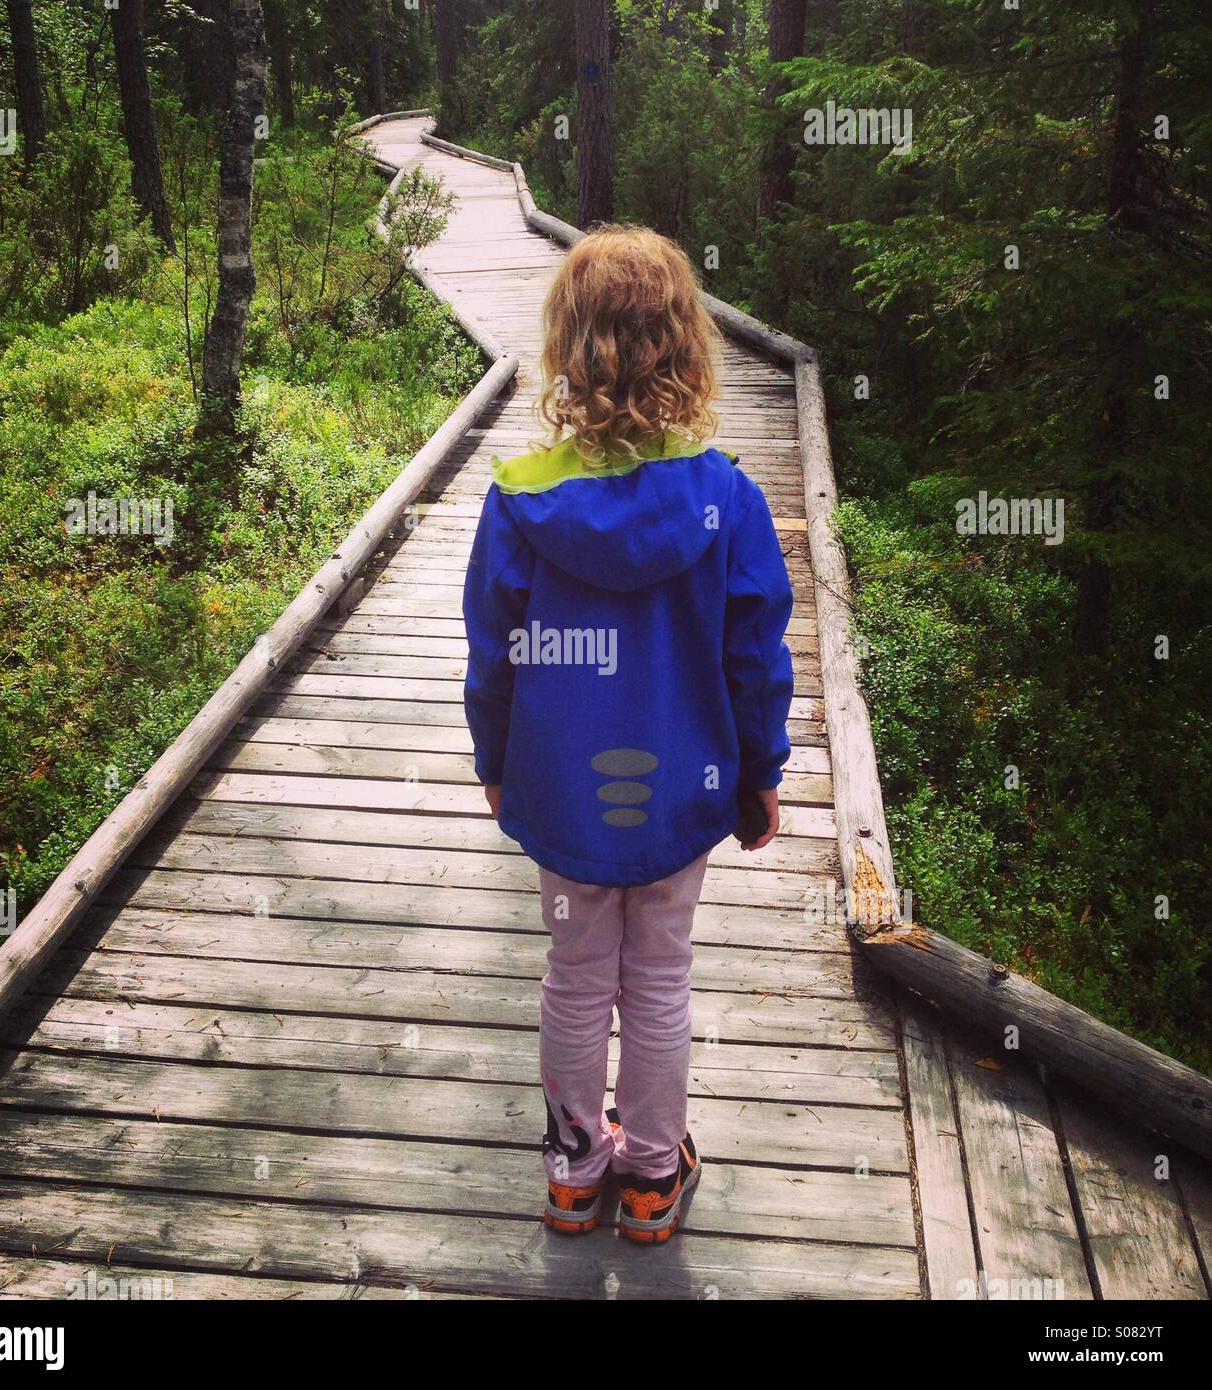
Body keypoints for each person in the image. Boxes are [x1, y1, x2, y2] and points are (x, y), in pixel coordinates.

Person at [462, 225, 794, 1244]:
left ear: (569, 349)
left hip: (562, 790)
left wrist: (496, 763)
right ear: (683, 348)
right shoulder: (727, 496)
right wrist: (759, 771)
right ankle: (651, 1176)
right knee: (657, 974)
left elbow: (494, 657)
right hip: (678, 793)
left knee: (573, 973)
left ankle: (572, 1171)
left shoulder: (520, 500)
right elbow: (755, 654)